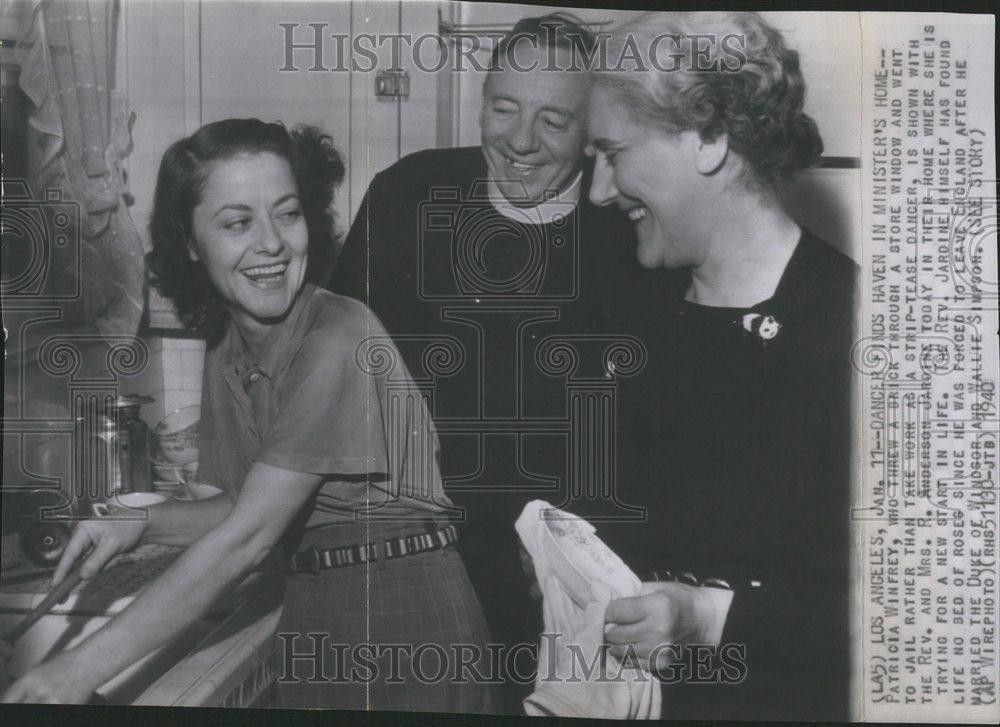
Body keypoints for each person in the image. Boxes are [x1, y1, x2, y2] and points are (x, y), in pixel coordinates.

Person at [2, 119, 495, 712]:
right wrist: (138, 524)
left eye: (287, 214)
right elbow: (241, 505)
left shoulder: (339, 333)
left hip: (404, 611)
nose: (272, 244)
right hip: (318, 602)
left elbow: (250, 539)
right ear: (190, 242)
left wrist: (71, 673)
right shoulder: (229, 348)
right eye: (238, 223)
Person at [329, 12, 675, 713]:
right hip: (413, 568)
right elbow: (333, 373)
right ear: (480, 102)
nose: (519, 141)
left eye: (553, 120)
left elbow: (664, 437)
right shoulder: (410, 195)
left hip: (562, 592)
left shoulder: (634, 238)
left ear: (592, 133)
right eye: (504, 108)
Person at [581, 12, 857, 720]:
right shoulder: (626, 309)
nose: (598, 191)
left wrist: (708, 617)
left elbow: (908, 614)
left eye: (613, 153)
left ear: (706, 137)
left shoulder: (854, 327)